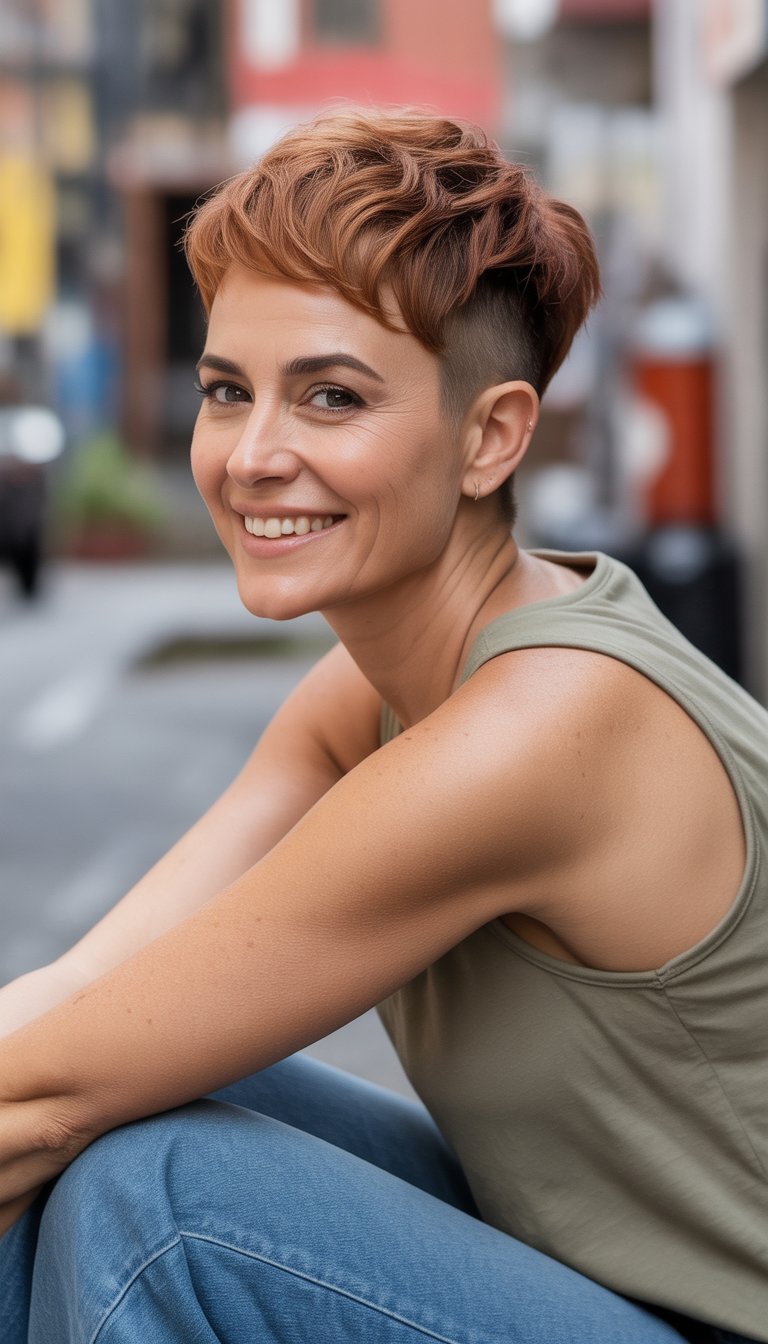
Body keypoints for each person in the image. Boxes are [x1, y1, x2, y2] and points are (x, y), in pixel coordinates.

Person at [0, 110, 764, 1344]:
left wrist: (49, 1084)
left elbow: (44, 1092)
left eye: (332, 397)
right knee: (149, 1065)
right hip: (590, 1290)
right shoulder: (379, 690)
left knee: (167, 1200)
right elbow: (89, 997)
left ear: (492, 437)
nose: (253, 455)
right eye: (227, 391)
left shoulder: (544, 728)